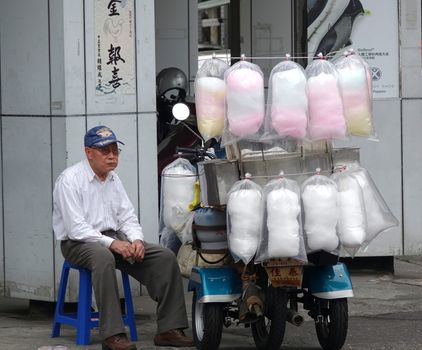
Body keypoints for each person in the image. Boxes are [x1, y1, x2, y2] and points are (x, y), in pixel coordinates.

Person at [52, 125, 194, 350]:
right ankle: (113, 335)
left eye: (115, 151)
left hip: (113, 239)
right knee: (102, 258)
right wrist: (114, 244)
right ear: (89, 152)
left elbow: (127, 216)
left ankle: (169, 329)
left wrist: (136, 240)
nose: (111, 157)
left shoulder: (113, 180)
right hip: (78, 243)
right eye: (105, 151)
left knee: (164, 257)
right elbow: (76, 228)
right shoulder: (69, 180)